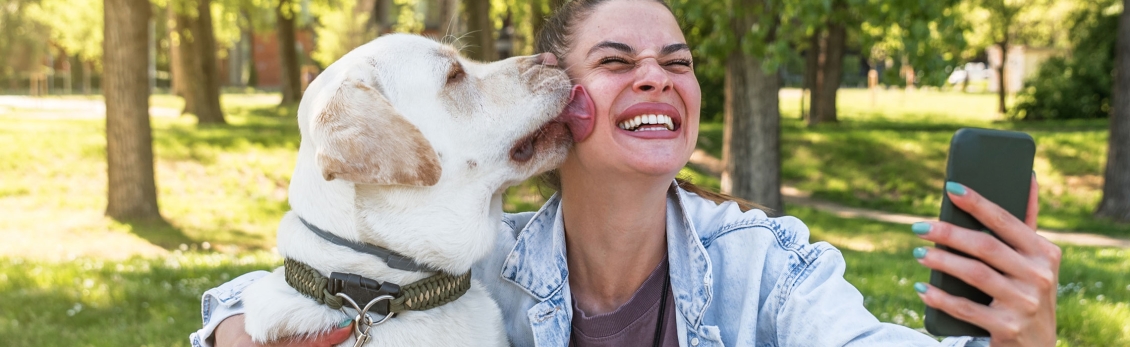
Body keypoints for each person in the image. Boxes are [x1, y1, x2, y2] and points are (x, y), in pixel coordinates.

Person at [191, 0, 1061, 346]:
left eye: (676, 62)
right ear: (563, 102)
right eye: (617, 60)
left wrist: (1026, 340)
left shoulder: (766, 266)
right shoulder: (466, 277)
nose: (657, 76)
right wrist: (239, 330)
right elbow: (280, 286)